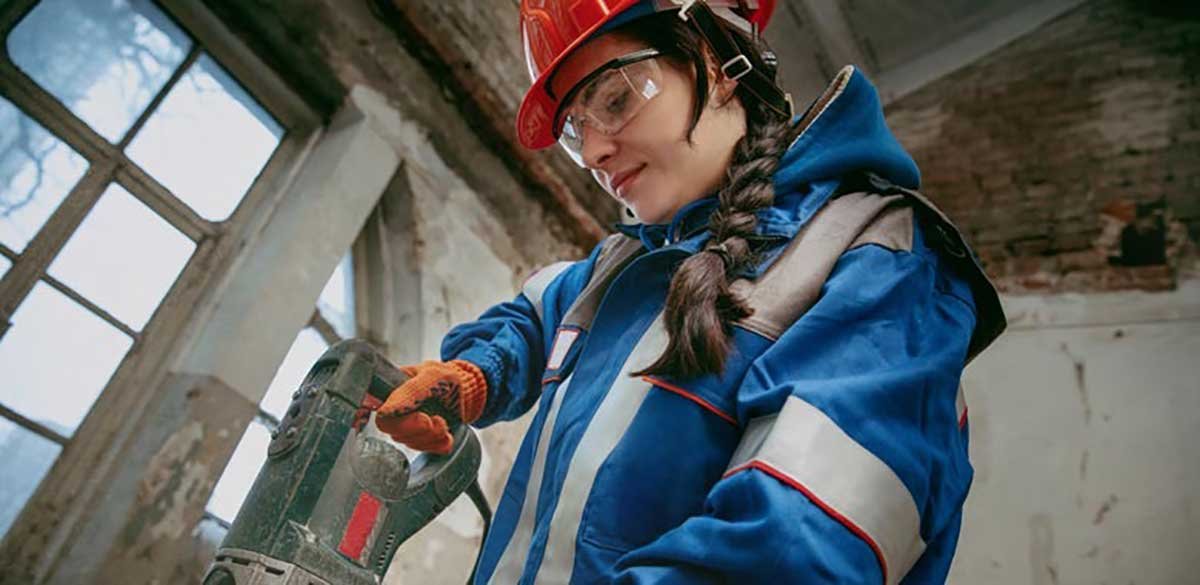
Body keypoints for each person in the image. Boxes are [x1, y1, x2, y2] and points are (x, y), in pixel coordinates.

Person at [374, 1, 1006, 583]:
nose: (592, 151)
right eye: (574, 128)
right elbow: (535, 320)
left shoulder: (878, 263)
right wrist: (474, 375)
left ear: (717, 62)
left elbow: (793, 550)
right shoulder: (625, 263)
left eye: (615, 99)